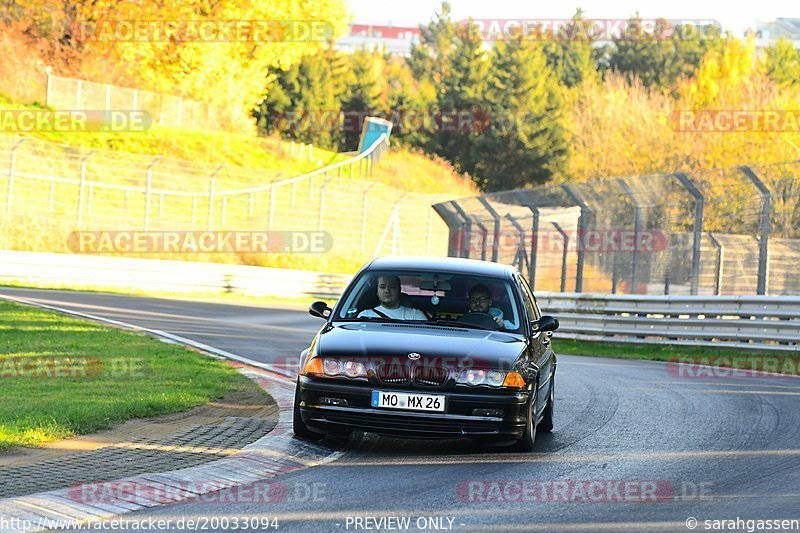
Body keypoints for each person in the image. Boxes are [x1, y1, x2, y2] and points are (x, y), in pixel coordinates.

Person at [357, 275, 426, 320]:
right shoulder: (365, 316)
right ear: (377, 291)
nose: (387, 290)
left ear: (399, 290)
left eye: (392, 287)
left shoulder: (415, 316)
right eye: (382, 287)